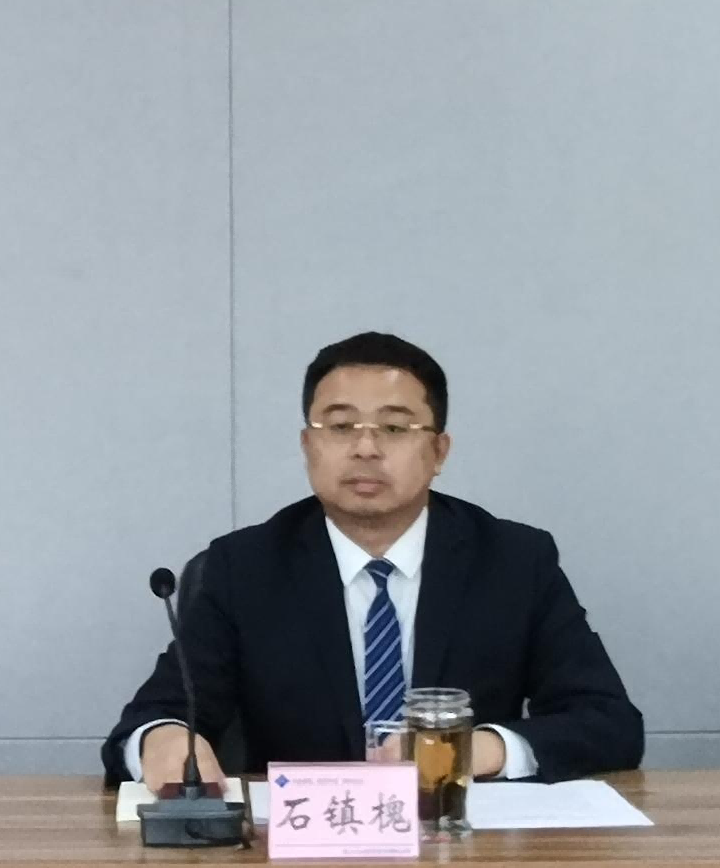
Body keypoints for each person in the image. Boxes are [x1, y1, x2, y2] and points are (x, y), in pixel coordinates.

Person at [108, 331, 643, 788]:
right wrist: (162, 739)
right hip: (300, 851)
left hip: (461, 844)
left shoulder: (512, 561)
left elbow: (609, 722)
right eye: (340, 427)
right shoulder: (245, 567)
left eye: (394, 428)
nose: (365, 448)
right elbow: (148, 723)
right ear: (308, 447)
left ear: (439, 452)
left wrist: (473, 750)